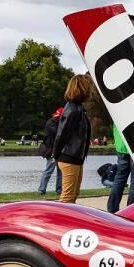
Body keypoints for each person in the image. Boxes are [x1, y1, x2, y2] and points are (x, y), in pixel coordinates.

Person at [53, 74, 92, 204]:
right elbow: (62, 134)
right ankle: (57, 223)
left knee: (73, 195)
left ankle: (65, 223)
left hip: (75, 157)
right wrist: (56, 154)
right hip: (69, 157)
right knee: (67, 198)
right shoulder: (73, 110)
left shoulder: (78, 109)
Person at [36, 107, 64, 197]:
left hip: (59, 150)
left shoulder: (57, 122)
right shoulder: (51, 123)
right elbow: (59, 134)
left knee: (61, 171)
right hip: (51, 150)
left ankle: (59, 190)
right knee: (49, 170)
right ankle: (41, 189)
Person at [107, 125, 134, 213]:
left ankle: (112, 208)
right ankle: (132, 210)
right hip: (132, 142)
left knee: (120, 178)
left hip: (120, 144)